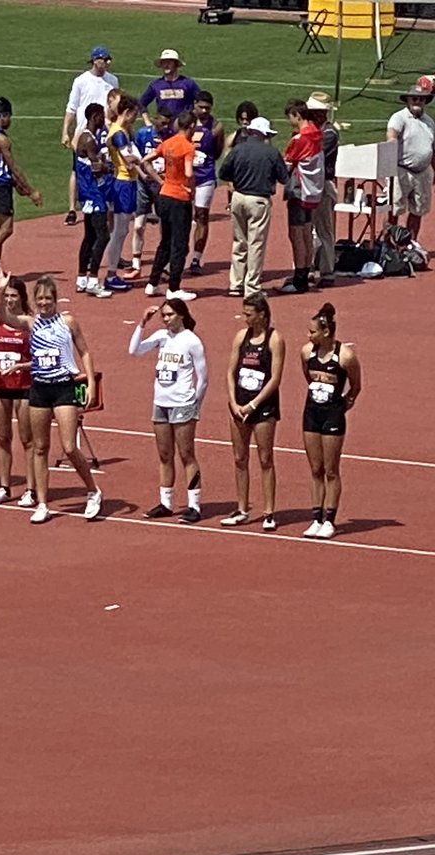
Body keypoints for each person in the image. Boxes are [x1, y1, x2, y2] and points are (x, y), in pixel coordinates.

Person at [0, 273, 103, 524]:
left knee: (68, 446)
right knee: (40, 448)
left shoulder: (67, 322)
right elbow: (3, 317)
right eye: (40, 299)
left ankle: (93, 490)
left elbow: (84, 352)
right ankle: (43, 503)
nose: (44, 303)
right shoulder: (31, 323)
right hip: (39, 389)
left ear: (55, 299)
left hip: (63, 387)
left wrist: (90, 385)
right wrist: (0, 291)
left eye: (48, 298)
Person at [129, 298, 208, 523]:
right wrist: (142, 323)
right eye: (163, 315)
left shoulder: (192, 341)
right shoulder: (161, 337)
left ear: (181, 315)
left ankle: (194, 505)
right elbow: (135, 351)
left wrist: (195, 404)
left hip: (182, 403)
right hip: (161, 403)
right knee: (165, 455)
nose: (166, 319)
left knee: (186, 454)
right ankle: (166, 502)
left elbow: (203, 378)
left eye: (170, 315)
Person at [222, 292, 286, 531]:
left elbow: (275, 378)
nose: (245, 318)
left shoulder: (274, 339)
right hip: (239, 405)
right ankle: (241, 509)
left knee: (265, 458)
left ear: (262, 315)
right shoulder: (241, 337)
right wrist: (233, 402)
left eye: (249, 314)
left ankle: (269, 512)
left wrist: (254, 404)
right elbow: (230, 372)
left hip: (263, 407)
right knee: (239, 458)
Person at [300, 303, 362, 539]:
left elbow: (356, 385)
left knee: (331, 469)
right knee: (315, 468)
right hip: (311, 413)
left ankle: (330, 519)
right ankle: (316, 517)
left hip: (333, 415)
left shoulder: (345, 356)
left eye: (313, 332)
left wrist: (346, 402)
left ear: (326, 332)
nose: (309, 335)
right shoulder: (307, 352)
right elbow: (308, 376)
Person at [0, 97, 43, 285]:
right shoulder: (3, 140)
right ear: (2, 117)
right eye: (9, 116)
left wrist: (15, 185)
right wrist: (31, 191)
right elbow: (13, 167)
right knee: (7, 228)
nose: (10, 120)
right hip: (0, 185)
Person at [219, 116, 289, 298]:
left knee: (239, 242)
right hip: (258, 200)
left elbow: (223, 172)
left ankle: (236, 283)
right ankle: (252, 287)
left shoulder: (237, 150)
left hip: (238, 198)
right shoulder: (271, 152)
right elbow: (284, 177)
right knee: (255, 244)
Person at [0, 276, 36, 506]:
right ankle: (5, 486)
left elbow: (39, 360)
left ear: (22, 298)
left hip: (24, 387)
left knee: (28, 439)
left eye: (14, 296)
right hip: (0, 387)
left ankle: (32, 489)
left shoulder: (30, 323)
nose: (10, 300)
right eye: (7, 296)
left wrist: (20, 366)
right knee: (3, 438)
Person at [141, 111, 197, 302]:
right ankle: (174, 287)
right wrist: (191, 187)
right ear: (191, 127)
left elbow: (145, 161)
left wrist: (160, 181)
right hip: (180, 197)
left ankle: (152, 282)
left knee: (165, 241)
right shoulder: (188, 147)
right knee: (179, 244)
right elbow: (189, 173)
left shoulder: (168, 143)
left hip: (165, 194)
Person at [62, 47, 120, 226]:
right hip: (83, 132)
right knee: (77, 169)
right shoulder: (81, 81)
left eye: (108, 59)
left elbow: (114, 106)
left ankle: (102, 201)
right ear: (95, 60)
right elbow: (71, 107)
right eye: (104, 59)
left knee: (103, 165)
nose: (107, 63)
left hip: (105, 132)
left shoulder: (113, 80)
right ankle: (72, 208)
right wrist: (66, 131)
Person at [280, 98, 324, 294]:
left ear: (297, 115)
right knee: (306, 231)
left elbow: (286, 165)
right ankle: (304, 272)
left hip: (299, 190)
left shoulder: (300, 139)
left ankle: (299, 279)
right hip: (312, 191)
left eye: (291, 117)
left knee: (296, 234)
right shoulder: (317, 134)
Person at [102, 95, 142, 292]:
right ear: (127, 113)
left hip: (127, 182)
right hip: (124, 183)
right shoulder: (119, 134)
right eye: (134, 114)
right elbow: (128, 159)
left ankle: (111, 272)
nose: (136, 118)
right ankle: (111, 273)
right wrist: (142, 162)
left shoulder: (121, 131)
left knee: (122, 230)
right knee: (119, 231)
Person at [74, 103, 114, 299]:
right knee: (103, 235)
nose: (103, 120)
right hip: (93, 193)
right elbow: (96, 167)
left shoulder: (85, 137)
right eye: (101, 116)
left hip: (87, 192)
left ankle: (81, 278)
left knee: (89, 236)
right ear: (95, 116)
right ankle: (93, 279)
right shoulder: (88, 140)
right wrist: (108, 166)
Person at [126, 112, 173, 280]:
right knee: (138, 226)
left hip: (162, 185)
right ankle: (136, 264)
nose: (165, 127)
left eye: (168, 123)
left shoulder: (171, 137)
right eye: (163, 123)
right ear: (155, 120)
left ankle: (165, 266)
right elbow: (134, 158)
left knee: (165, 226)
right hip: (144, 184)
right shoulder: (143, 134)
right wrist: (142, 174)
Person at [387, 83, 435, 242]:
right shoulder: (399, 117)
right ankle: (389, 245)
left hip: (422, 172)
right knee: (394, 210)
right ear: (407, 100)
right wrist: (388, 167)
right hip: (401, 170)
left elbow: (433, 149)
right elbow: (391, 138)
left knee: (418, 211)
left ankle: (410, 244)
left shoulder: (430, 122)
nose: (417, 101)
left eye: (421, 99)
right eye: (414, 98)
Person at [188, 91, 225, 276]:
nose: (203, 111)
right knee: (181, 217)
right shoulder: (186, 122)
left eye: (207, 108)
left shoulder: (216, 126)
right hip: (185, 178)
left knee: (202, 215)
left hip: (205, 177)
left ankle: (196, 257)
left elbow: (218, 152)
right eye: (200, 107)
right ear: (194, 104)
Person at [308, 92, 340, 287]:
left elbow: (313, 151)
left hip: (324, 184)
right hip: (312, 183)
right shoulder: (315, 130)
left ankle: (327, 271)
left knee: (324, 230)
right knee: (307, 229)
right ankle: (309, 266)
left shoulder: (329, 133)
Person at [139, 49, 200, 128]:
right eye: (164, 62)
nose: (166, 65)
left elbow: (200, 101)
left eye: (169, 62)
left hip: (183, 128)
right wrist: (148, 122)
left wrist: (193, 118)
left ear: (176, 64)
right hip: (163, 128)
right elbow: (141, 103)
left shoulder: (188, 83)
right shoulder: (156, 85)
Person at [224, 100, 261, 210]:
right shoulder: (233, 138)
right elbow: (227, 163)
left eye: (247, 119)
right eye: (242, 119)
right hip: (238, 177)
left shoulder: (261, 138)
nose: (244, 122)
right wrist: (229, 182)